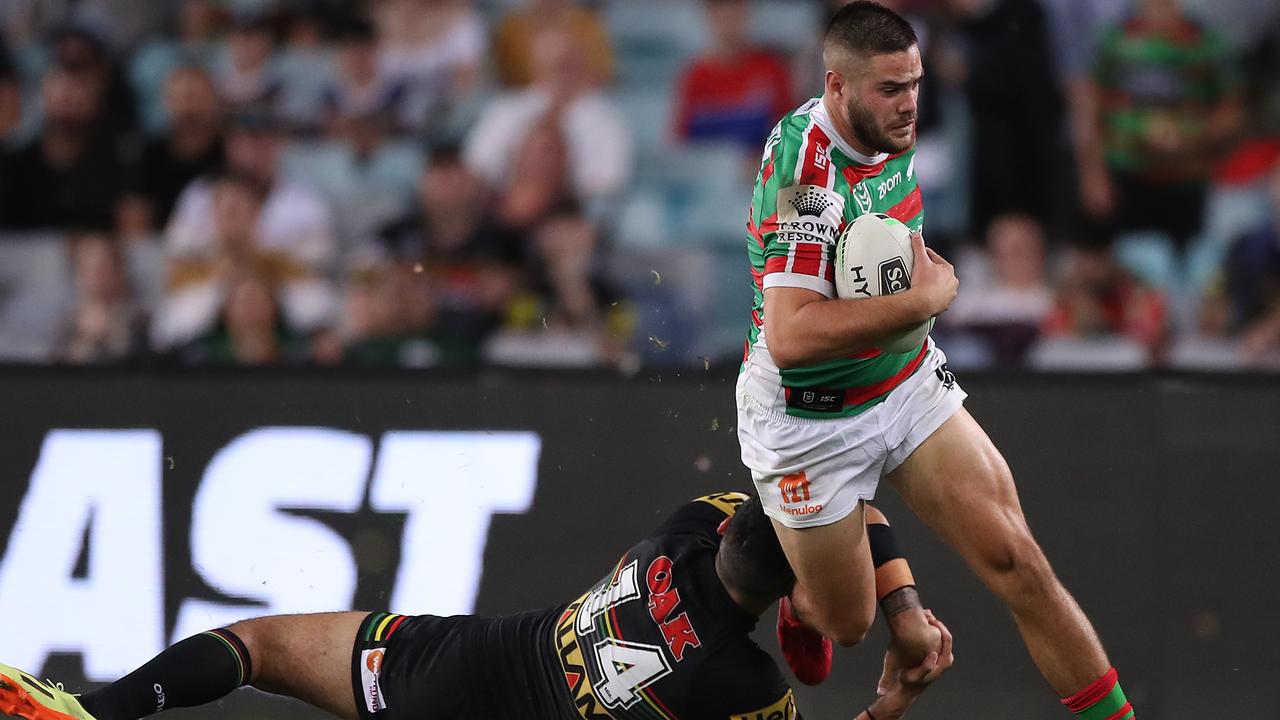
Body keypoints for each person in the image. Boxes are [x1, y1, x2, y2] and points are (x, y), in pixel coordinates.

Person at [736, 3, 1136, 718]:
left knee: (1020, 563)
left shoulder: (895, 124)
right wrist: (930, 298)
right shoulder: (808, 169)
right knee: (849, 624)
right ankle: (804, 595)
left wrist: (916, 305)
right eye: (890, 88)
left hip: (904, 382)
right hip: (808, 416)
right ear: (837, 87)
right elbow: (790, 338)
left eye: (915, 83)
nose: (910, 102)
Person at [0, 493, 953, 720]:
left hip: (464, 666)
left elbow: (833, 506)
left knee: (252, 646)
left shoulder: (684, 526)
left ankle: (93, 715)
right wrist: (888, 694)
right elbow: (857, 513)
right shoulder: (737, 681)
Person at [674, 0, 794, 154]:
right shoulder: (695, 76)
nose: (729, 19)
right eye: (722, 11)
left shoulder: (772, 69)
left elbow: (790, 133)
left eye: (735, 11)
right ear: (710, 17)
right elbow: (682, 142)